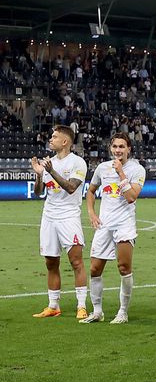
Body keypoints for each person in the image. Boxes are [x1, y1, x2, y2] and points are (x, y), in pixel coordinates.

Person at [80, 133, 146, 324]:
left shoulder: (137, 170)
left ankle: (123, 312)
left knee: (124, 268)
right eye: (115, 146)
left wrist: (121, 173)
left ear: (129, 149)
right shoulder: (102, 168)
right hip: (104, 224)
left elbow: (131, 197)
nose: (118, 150)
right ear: (110, 148)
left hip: (124, 224)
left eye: (122, 147)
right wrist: (91, 213)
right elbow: (91, 191)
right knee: (94, 269)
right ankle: (97, 312)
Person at [31, 125, 89, 319]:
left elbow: (71, 188)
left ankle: (81, 306)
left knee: (76, 261)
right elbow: (39, 192)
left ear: (65, 142)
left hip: (69, 217)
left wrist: (51, 171)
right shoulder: (49, 163)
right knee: (50, 262)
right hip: (49, 217)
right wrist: (40, 175)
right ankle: (53, 305)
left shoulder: (77, 163)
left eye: (54, 137)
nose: (51, 139)